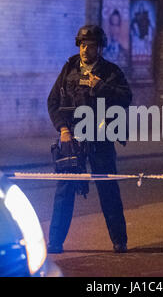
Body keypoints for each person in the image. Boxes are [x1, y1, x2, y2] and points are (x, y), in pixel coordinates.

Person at [47, 25, 132, 254]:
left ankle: (119, 240)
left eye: (91, 46)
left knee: (108, 189)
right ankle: (55, 242)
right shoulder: (69, 70)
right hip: (73, 139)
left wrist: (101, 86)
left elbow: (126, 97)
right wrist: (63, 129)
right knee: (64, 190)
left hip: (100, 138)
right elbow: (53, 102)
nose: (85, 50)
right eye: (83, 45)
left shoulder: (111, 72)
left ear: (99, 48)